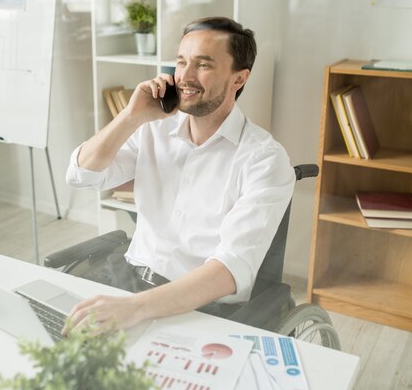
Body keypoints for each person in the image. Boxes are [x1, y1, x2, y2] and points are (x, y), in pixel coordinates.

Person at [63, 17, 295, 335]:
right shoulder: (152, 128)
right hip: (128, 280)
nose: (183, 77)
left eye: (203, 65)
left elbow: (229, 269)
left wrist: (135, 308)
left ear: (239, 78)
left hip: (204, 309)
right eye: (181, 62)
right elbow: (81, 176)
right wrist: (130, 116)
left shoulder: (265, 160)